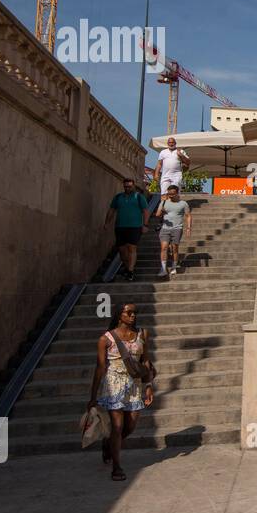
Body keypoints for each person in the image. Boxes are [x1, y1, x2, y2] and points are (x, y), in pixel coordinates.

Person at [86, 303, 154, 481]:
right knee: (117, 426)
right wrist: (93, 396)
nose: (133, 316)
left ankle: (108, 445)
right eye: (129, 312)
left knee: (130, 426)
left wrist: (148, 386)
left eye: (135, 313)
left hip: (134, 384)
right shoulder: (105, 339)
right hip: (113, 383)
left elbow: (146, 361)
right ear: (119, 315)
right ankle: (116, 466)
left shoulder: (142, 334)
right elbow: (100, 368)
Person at [104, 178, 148, 281]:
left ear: (133, 186)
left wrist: (145, 225)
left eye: (129, 186)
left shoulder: (138, 197)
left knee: (131, 247)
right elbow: (111, 210)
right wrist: (107, 222)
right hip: (120, 226)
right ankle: (127, 267)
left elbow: (145, 211)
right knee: (121, 250)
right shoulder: (118, 197)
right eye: (126, 186)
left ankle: (130, 271)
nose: (127, 188)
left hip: (135, 226)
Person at [154, 184, 193, 277]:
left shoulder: (183, 203)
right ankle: (163, 269)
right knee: (164, 247)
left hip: (177, 228)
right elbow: (157, 215)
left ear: (177, 193)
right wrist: (162, 205)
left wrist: (188, 228)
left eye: (172, 194)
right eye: (169, 193)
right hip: (165, 228)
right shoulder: (164, 202)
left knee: (174, 248)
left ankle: (174, 267)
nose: (170, 195)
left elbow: (188, 215)